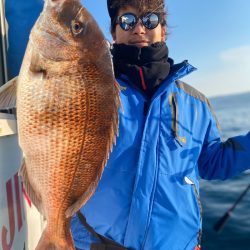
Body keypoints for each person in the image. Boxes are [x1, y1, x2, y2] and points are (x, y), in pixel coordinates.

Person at [70, 1, 250, 250]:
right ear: (114, 32)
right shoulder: (88, 93)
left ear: (162, 30)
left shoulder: (195, 103)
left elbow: (213, 163)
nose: (139, 29)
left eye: (150, 20)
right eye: (128, 21)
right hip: (96, 243)